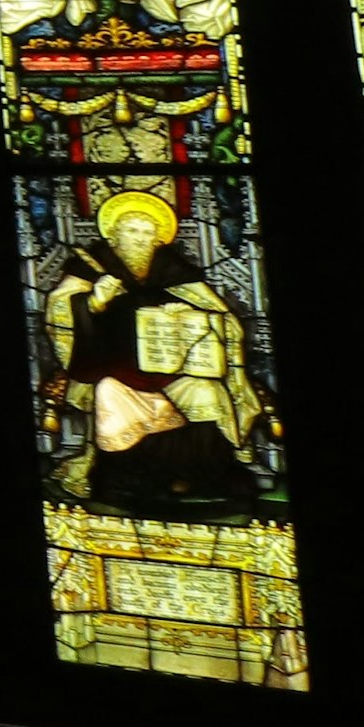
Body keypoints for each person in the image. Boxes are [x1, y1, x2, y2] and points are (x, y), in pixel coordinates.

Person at [45, 190, 260, 510]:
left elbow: (217, 312)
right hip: (113, 367)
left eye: (148, 232)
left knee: (206, 394)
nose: (140, 239)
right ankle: (128, 480)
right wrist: (93, 302)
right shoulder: (93, 263)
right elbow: (59, 310)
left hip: (175, 367)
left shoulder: (169, 266)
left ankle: (196, 476)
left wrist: (188, 315)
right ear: (114, 234)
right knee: (108, 395)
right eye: (131, 230)